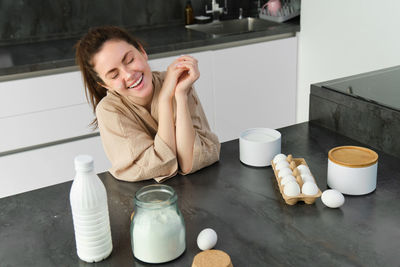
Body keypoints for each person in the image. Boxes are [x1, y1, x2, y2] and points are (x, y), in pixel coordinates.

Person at [75, 26, 220, 182]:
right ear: (105, 85)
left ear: (142, 52)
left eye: (130, 60)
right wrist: (165, 99)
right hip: (147, 200)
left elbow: (190, 161)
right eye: (114, 75)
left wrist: (180, 95)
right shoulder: (109, 110)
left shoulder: (177, 82)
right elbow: (159, 165)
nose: (129, 75)